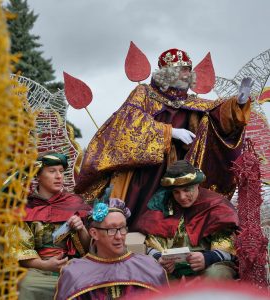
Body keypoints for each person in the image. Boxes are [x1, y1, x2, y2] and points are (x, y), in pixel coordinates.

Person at [74, 48, 252, 230]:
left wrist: (237, 104)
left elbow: (217, 116)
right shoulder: (143, 93)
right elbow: (127, 123)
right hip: (144, 171)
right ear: (166, 74)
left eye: (187, 69)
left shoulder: (192, 102)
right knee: (139, 214)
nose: (186, 74)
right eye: (180, 69)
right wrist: (169, 133)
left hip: (179, 169)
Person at [135, 160, 239, 280]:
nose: (182, 197)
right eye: (176, 192)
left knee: (217, 274)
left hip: (209, 265)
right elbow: (150, 244)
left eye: (186, 190)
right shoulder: (161, 205)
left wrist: (207, 258)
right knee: (151, 273)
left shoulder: (216, 206)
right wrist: (160, 258)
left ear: (197, 185)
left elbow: (230, 250)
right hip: (172, 270)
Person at [7, 152, 91, 300]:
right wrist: (45, 265)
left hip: (73, 266)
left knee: (89, 283)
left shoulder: (75, 203)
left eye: (61, 171)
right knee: (27, 286)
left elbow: (90, 247)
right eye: (52, 171)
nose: (59, 176)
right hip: (38, 269)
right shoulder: (24, 209)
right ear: (38, 176)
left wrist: (82, 229)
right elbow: (21, 249)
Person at [55, 193, 168, 299]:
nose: (119, 236)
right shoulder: (74, 273)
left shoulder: (149, 267)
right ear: (94, 233)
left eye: (122, 228)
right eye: (112, 230)